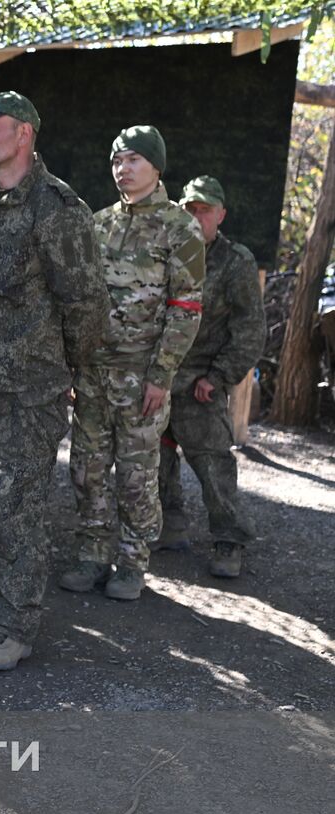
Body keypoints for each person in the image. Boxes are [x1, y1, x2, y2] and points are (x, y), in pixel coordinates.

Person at [0, 91, 109, 670]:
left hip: (30, 390)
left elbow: (87, 306)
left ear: (24, 135)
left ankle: (17, 623)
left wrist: (62, 371)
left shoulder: (57, 208)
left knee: (20, 506)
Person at [61, 126, 204, 602]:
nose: (124, 168)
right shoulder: (98, 223)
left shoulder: (179, 227)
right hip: (93, 373)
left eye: (134, 160)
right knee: (87, 467)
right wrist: (74, 367)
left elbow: (186, 308)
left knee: (138, 473)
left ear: (156, 167)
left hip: (141, 374)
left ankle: (133, 560)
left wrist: (162, 376)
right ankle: (93, 552)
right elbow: (79, 301)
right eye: (118, 160)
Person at [158, 175, 264, 577]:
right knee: (155, 461)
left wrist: (218, 377)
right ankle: (169, 524)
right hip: (162, 377)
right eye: (189, 209)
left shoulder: (235, 261)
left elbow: (250, 329)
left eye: (203, 209)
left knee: (213, 466)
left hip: (201, 383)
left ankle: (229, 539)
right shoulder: (168, 253)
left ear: (221, 214)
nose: (196, 216)